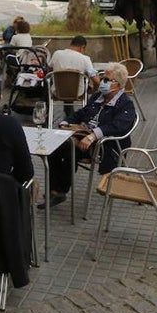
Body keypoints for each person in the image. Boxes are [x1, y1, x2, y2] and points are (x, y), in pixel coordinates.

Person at [44, 62, 137, 208]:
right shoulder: (98, 96)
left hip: (106, 145)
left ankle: (60, 191)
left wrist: (93, 135)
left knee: (69, 149)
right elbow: (81, 113)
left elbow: (119, 126)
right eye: (102, 78)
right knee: (53, 146)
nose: (102, 82)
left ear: (117, 85)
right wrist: (65, 122)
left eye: (106, 80)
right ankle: (54, 190)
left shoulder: (125, 104)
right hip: (83, 136)